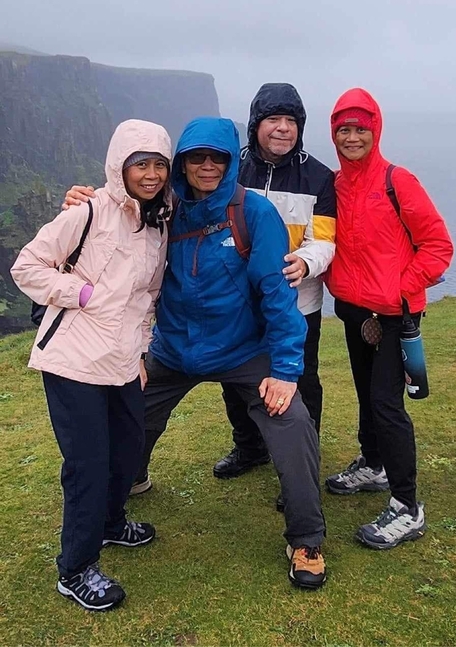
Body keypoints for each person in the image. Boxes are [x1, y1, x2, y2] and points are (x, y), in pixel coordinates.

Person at [139, 116, 326, 589]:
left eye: (217, 157)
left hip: (244, 349)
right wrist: (84, 198)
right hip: (174, 348)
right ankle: (121, 485)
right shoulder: (164, 208)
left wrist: (285, 371)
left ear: (230, 161)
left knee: (292, 422)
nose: (207, 166)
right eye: (196, 157)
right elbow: (112, 215)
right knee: (127, 416)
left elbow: (276, 295)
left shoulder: (254, 213)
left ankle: (306, 539)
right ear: (181, 163)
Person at [11, 119, 172, 611]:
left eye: (158, 165)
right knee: (88, 464)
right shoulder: (88, 211)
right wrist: (77, 293)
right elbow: (26, 265)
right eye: (140, 164)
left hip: (121, 360)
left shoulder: (157, 222)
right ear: (118, 166)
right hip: (73, 360)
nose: (150, 174)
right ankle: (76, 568)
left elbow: (147, 295)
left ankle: (109, 525)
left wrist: (143, 349)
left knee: (128, 448)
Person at [324, 88, 454, 550]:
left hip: (395, 315)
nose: (352, 137)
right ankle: (374, 464)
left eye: (361, 129)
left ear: (375, 130)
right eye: (344, 130)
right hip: (354, 311)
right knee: (366, 393)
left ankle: (407, 506)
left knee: (387, 404)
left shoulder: (398, 181)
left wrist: (402, 287)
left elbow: (439, 246)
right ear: (334, 133)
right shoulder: (337, 186)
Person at [212, 84, 336, 515]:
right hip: (238, 304)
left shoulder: (319, 177)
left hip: (297, 303)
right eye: (273, 120)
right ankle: (249, 448)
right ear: (256, 125)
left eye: (291, 122)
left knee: (301, 385)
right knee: (235, 379)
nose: (283, 129)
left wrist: (306, 263)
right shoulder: (232, 169)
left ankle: (300, 470)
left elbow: (326, 238)